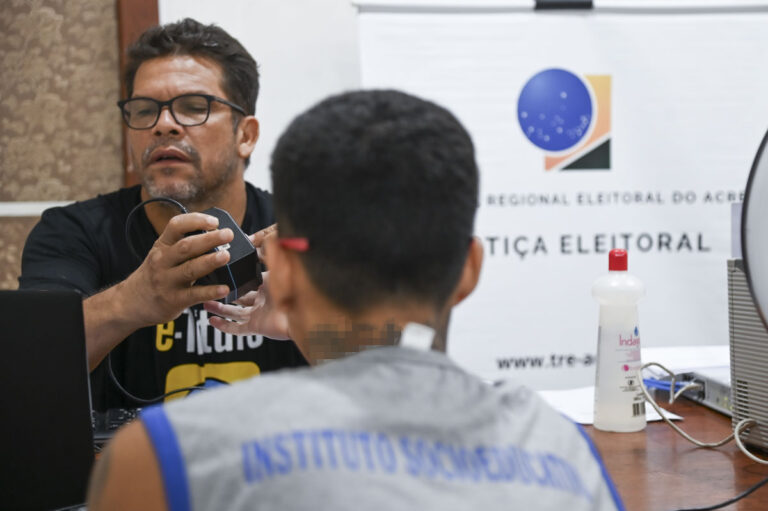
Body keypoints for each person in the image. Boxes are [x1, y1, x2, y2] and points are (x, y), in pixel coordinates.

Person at [86, 90, 624, 511]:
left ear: (284, 271)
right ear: (469, 270)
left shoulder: (168, 457)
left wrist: (306, 318)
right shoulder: (559, 447)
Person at [18, 18, 306, 411]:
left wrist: (315, 324)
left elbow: (385, 372)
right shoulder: (72, 232)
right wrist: (131, 300)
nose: (163, 125)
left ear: (246, 135)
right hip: (128, 452)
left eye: (194, 108)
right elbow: (25, 366)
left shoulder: (302, 231)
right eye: (144, 110)